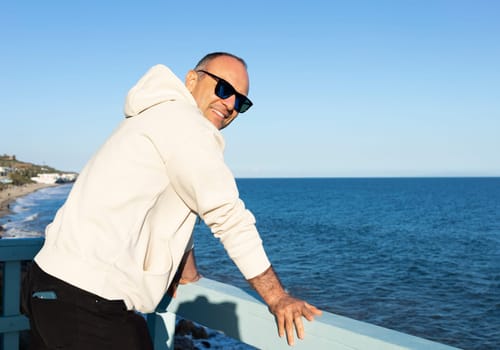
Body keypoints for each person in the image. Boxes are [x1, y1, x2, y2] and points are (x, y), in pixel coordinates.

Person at [22, 52, 322, 349]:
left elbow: (173, 199)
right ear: (192, 79)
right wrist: (277, 297)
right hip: (89, 302)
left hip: (46, 286)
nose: (230, 104)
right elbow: (228, 216)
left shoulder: (155, 116)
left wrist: (185, 270)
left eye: (240, 102)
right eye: (224, 88)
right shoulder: (187, 125)